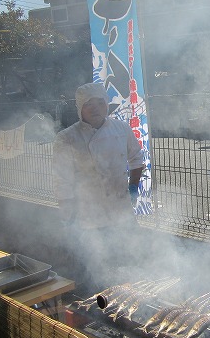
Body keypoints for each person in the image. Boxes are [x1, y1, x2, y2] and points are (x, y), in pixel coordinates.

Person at [52, 82, 145, 291]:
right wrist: (68, 218)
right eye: (89, 104)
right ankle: (95, 301)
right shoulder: (67, 138)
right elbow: (62, 182)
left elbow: (137, 159)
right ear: (80, 108)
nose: (96, 108)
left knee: (130, 261)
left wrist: (133, 187)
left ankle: (131, 298)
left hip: (121, 210)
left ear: (107, 105)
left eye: (100, 103)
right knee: (95, 268)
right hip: (88, 216)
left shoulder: (121, 129)